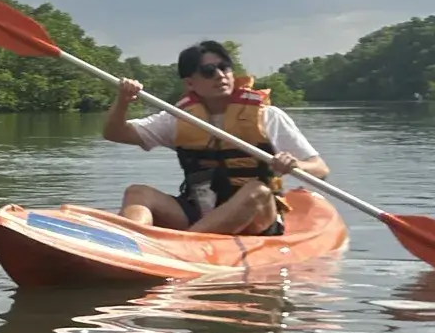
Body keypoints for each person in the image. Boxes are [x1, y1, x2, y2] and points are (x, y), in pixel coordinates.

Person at [101, 40, 330, 236]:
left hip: (256, 217)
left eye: (224, 68)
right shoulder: (179, 118)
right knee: (138, 192)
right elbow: (115, 133)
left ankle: (188, 243)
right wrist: (123, 101)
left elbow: (320, 169)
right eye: (208, 71)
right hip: (199, 210)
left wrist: (294, 165)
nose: (220, 75)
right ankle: (131, 244)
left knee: (257, 190)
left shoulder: (267, 116)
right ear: (190, 83)